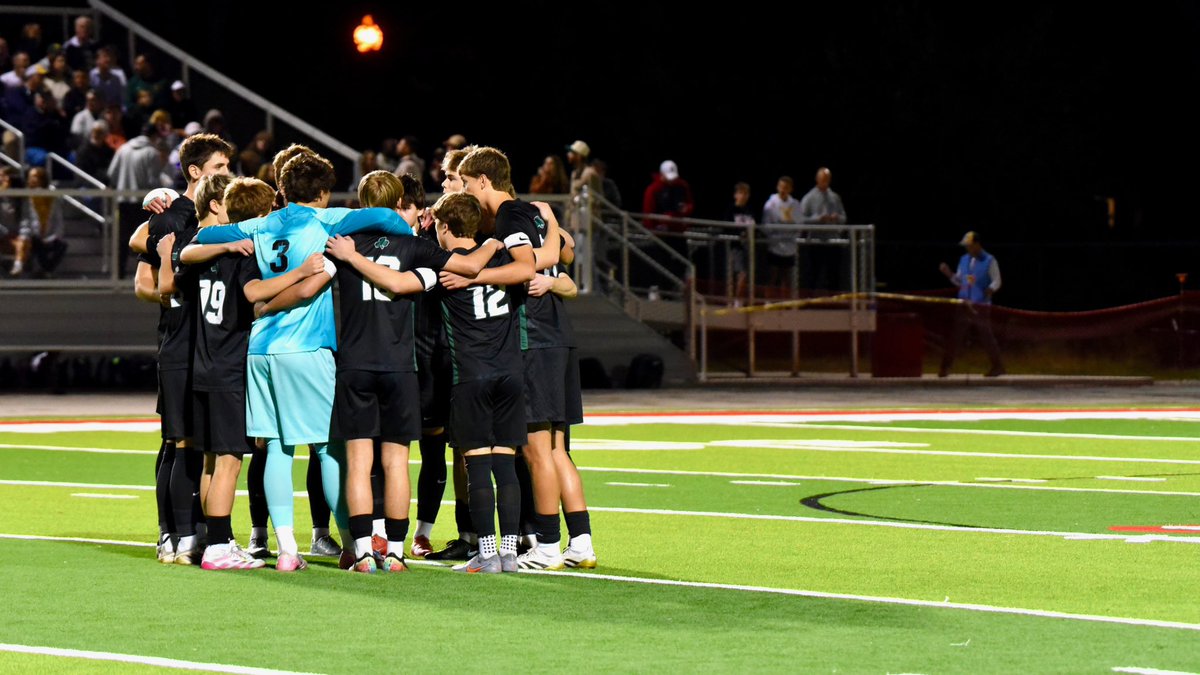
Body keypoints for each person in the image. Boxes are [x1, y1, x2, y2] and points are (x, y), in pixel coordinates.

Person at [185, 152, 414, 572]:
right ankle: (353, 545)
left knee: (276, 448)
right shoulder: (326, 220)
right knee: (329, 450)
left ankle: (288, 550)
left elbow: (198, 240)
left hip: (259, 349)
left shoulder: (259, 224)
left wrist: (231, 240)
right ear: (324, 192)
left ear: (283, 190)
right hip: (307, 348)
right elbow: (391, 220)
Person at [322, 171, 501, 573]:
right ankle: (398, 552)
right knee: (396, 462)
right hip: (401, 367)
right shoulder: (415, 246)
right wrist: (493, 239)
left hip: (354, 364)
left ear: (363, 200)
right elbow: (469, 266)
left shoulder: (340, 244)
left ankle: (365, 551)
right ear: (400, 200)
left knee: (358, 462)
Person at [453, 147, 595, 570]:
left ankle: (548, 545)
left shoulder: (511, 215)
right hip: (558, 336)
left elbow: (527, 265)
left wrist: (472, 275)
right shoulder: (534, 213)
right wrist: (552, 227)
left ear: (482, 181)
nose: (464, 191)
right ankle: (580, 542)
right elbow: (565, 255)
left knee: (536, 450)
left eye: (464, 182)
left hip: (534, 339)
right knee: (556, 449)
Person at [132, 133, 234, 565]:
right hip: (178, 337)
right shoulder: (173, 213)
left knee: (199, 442)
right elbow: (142, 262)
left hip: (210, 344)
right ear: (195, 171)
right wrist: (175, 292)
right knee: (178, 442)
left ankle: (199, 533)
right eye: (219, 169)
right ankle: (171, 534)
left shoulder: (222, 214)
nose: (228, 176)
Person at [432, 190, 529, 574]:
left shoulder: (443, 265)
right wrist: (491, 242)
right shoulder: (506, 259)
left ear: (443, 226)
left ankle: (486, 553)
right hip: (509, 374)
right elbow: (527, 269)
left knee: (477, 467)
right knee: (505, 468)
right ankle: (509, 554)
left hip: (470, 376)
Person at [938, 230, 1005, 378]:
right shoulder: (964, 260)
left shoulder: (989, 260)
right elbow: (959, 281)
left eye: (969, 245)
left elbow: (997, 280)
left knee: (986, 337)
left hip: (981, 306)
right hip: (964, 304)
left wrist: (991, 289)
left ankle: (998, 367)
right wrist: (948, 273)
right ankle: (945, 368)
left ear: (977, 244)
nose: (967, 248)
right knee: (955, 337)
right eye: (966, 246)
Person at [9, 167, 67, 278]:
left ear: (42, 179)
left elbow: (58, 219)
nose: (31, 179)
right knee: (35, 243)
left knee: (62, 246)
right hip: (33, 235)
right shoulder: (27, 197)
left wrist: (54, 236)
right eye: (30, 177)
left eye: (34, 176)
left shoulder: (53, 197)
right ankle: (44, 271)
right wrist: (29, 234)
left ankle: (45, 270)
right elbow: (25, 220)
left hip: (50, 234)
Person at [798, 167, 848, 292]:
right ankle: (809, 303)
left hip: (833, 241)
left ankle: (834, 302)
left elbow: (844, 217)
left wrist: (837, 218)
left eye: (827, 179)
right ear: (817, 179)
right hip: (815, 242)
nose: (825, 181)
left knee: (834, 275)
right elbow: (801, 219)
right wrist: (818, 219)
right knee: (813, 275)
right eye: (822, 179)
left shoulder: (835, 197)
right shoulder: (808, 197)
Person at [761, 176, 801, 296]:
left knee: (786, 278)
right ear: (778, 187)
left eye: (786, 188)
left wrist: (792, 236)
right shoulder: (770, 204)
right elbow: (766, 225)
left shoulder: (795, 205)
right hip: (775, 246)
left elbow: (799, 224)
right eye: (781, 187)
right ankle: (767, 302)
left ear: (790, 189)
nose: (783, 190)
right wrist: (775, 235)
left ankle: (785, 304)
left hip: (789, 248)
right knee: (772, 275)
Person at [725, 182, 756, 305]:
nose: (743, 196)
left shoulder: (749, 210)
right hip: (735, 246)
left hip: (748, 246)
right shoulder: (731, 210)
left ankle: (741, 299)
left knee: (745, 274)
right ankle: (736, 301)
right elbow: (726, 227)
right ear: (735, 195)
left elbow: (754, 226)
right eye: (741, 193)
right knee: (740, 273)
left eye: (746, 193)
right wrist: (739, 234)